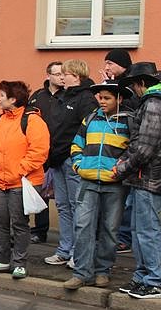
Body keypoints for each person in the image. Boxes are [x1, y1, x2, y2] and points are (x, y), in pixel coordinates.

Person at [63, 81, 133, 290]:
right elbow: (77, 144)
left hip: (115, 184)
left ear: (119, 99)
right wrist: (78, 165)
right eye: (100, 97)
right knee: (83, 226)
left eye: (106, 98)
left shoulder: (129, 122)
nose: (101, 101)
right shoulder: (90, 118)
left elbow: (134, 150)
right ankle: (81, 273)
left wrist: (121, 169)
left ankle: (103, 270)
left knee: (110, 229)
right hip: (88, 180)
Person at [0, 81, 50, 279]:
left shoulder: (33, 121)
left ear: (13, 99)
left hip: (22, 182)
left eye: (2, 95)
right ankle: (1, 259)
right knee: (0, 221)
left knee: (19, 223)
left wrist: (19, 171)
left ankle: (20, 262)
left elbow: (39, 152)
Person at [43, 59, 98, 268]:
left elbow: (84, 132)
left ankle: (79, 252)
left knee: (78, 208)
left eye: (65, 74)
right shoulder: (64, 96)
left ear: (76, 76)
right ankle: (64, 250)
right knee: (63, 207)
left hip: (72, 160)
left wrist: (74, 156)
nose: (61, 77)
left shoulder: (86, 99)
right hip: (57, 159)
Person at [114, 62, 161, 299]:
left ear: (141, 83)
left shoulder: (153, 104)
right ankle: (142, 277)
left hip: (149, 178)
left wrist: (123, 167)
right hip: (143, 178)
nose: (133, 89)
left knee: (147, 231)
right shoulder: (151, 102)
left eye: (133, 84)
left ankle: (154, 280)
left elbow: (145, 148)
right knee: (139, 230)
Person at [98, 49, 137, 253]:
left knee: (128, 200)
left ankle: (123, 238)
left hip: (128, 148)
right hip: (112, 147)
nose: (106, 68)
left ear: (123, 65)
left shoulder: (131, 85)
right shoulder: (119, 83)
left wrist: (112, 86)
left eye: (110, 63)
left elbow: (130, 108)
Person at [27, 61, 65, 243]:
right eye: (57, 74)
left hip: (60, 151)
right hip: (40, 151)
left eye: (63, 74)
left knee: (62, 196)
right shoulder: (37, 97)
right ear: (48, 76)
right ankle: (39, 231)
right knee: (40, 192)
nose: (61, 77)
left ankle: (66, 238)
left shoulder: (67, 96)